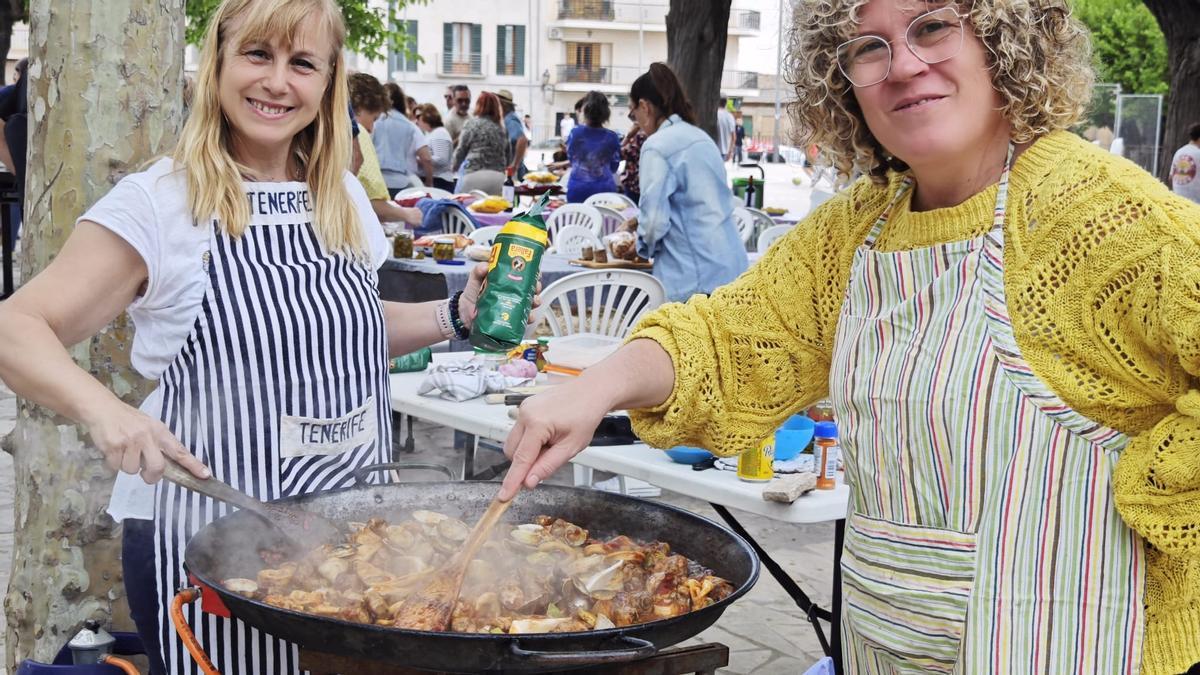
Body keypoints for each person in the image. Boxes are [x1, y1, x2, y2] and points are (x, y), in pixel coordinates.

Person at [498, 3, 1200, 674]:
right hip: (880, 646)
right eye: (869, 46)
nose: (902, 66)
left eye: (932, 27)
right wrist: (594, 388)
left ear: (1002, 41)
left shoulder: (1090, 212)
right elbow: (724, 338)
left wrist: (1165, 485)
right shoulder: (857, 228)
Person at [0, 0, 493, 672]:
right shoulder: (162, 203)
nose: (277, 82)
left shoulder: (341, 196)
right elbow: (16, 326)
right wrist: (105, 411)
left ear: (327, 81)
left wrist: (456, 314)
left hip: (358, 539)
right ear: (219, 63)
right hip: (210, 539)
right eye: (258, 55)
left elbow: (350, 337)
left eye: (302, 63)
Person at [611, 64, 747, 301]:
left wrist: (641, 246)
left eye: (633, 114)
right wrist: (636, 222)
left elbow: (654, 223)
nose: (637, 122)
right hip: (733, 267)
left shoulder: (657, 146)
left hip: (692, 277)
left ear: (644, 106)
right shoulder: (700, 137)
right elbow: (693, 202)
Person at [347, 73, 423, 226]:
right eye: (374, 118)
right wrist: (407, 214)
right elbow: (373, 201)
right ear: (361, 105)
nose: (371, 128)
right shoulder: (358, 132)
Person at [563, 91, 621, 204]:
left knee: (577, 220)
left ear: (585, 110)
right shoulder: (612, 137)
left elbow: (571, 158)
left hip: (578, 188)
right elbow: (614, 166)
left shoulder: (575, 133)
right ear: (606, 113)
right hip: (604, 190)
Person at [373, 82, 431, 193]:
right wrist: (429, 183)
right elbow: (426, 157)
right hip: (400, 181)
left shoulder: (374, 121)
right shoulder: (410, 125)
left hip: (376, 179)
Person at [452, 91, 508, 194]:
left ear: (478, 105)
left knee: (464, 208)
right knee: (494, 208)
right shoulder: (501, 128)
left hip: (474, 174)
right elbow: (508, 154)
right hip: (498, 177)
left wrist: (453, 167)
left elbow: (461, 150)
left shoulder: (471, 124)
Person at [413, 103, 457, 192]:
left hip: (439, 181)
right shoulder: (433, 134)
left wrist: (420, 159)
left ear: (428, 115)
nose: (416, 121)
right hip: (436, 181)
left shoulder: (439, 133)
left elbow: (441, 160)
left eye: (418, 117)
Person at [495, 89, 528, 181]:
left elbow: (522, 140)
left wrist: (514, 165)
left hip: (511, 172)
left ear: (504, 105)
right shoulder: (506, 118)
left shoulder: (510, 120)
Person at [1168, 122, 1200, 204]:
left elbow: (1171, 177)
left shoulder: (1179, 152)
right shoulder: (1198, 153)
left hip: (1177, 202)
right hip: (1195, 204)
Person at [619, 119, 647, 204]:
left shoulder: (640, 136)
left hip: (634, 184)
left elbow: (620, 154)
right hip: (650, 184)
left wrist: (628, 136)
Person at [716, 97, 736, 162]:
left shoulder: (714, 114)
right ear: (725, 103)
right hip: (725, 151)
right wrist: (730, 151)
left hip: (713, 148)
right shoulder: (730, 116)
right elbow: (734, 137)